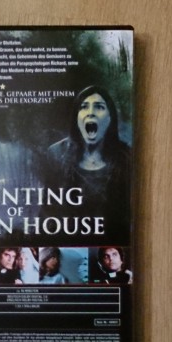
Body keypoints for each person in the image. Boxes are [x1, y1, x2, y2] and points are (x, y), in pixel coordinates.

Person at [45, 86, 131, 240]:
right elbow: (48, 212)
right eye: (84, 107)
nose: (90, 113)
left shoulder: (126, 158)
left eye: (99, 107)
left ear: (110, 118)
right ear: (77, 118)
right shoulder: (56, 154)